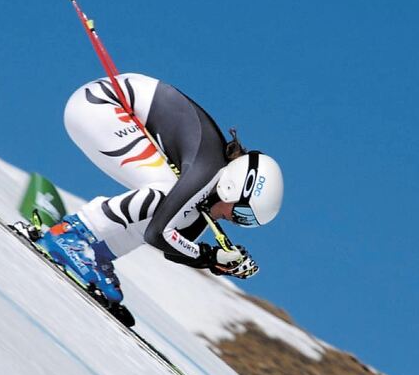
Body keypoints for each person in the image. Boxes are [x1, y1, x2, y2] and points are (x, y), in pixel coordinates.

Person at [33, 73, 283, 308]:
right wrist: (210, 256)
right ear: (236, 186)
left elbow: (174, 244)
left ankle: (97, 253)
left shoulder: (208, 186)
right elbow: (158, 234)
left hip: (103, 110)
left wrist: (219, 262)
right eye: (242, 215)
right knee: (166, 192)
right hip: (101, 105)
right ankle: (72, 234)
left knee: (178, 211)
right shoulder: (208, 170)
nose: (236, 222)